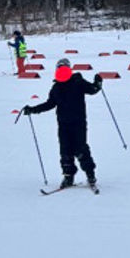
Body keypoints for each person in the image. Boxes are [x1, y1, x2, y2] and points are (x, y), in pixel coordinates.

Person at [23, 59, 103, 188]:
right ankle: (68, 176)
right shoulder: (56, 87)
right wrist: (33, 109)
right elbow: (50, 104)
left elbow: (92, 90)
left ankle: (90, 174)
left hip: (78, 123)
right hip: (63, 124)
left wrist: (97, 84)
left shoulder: (78, 82)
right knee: (65, 151)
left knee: (80, 148)